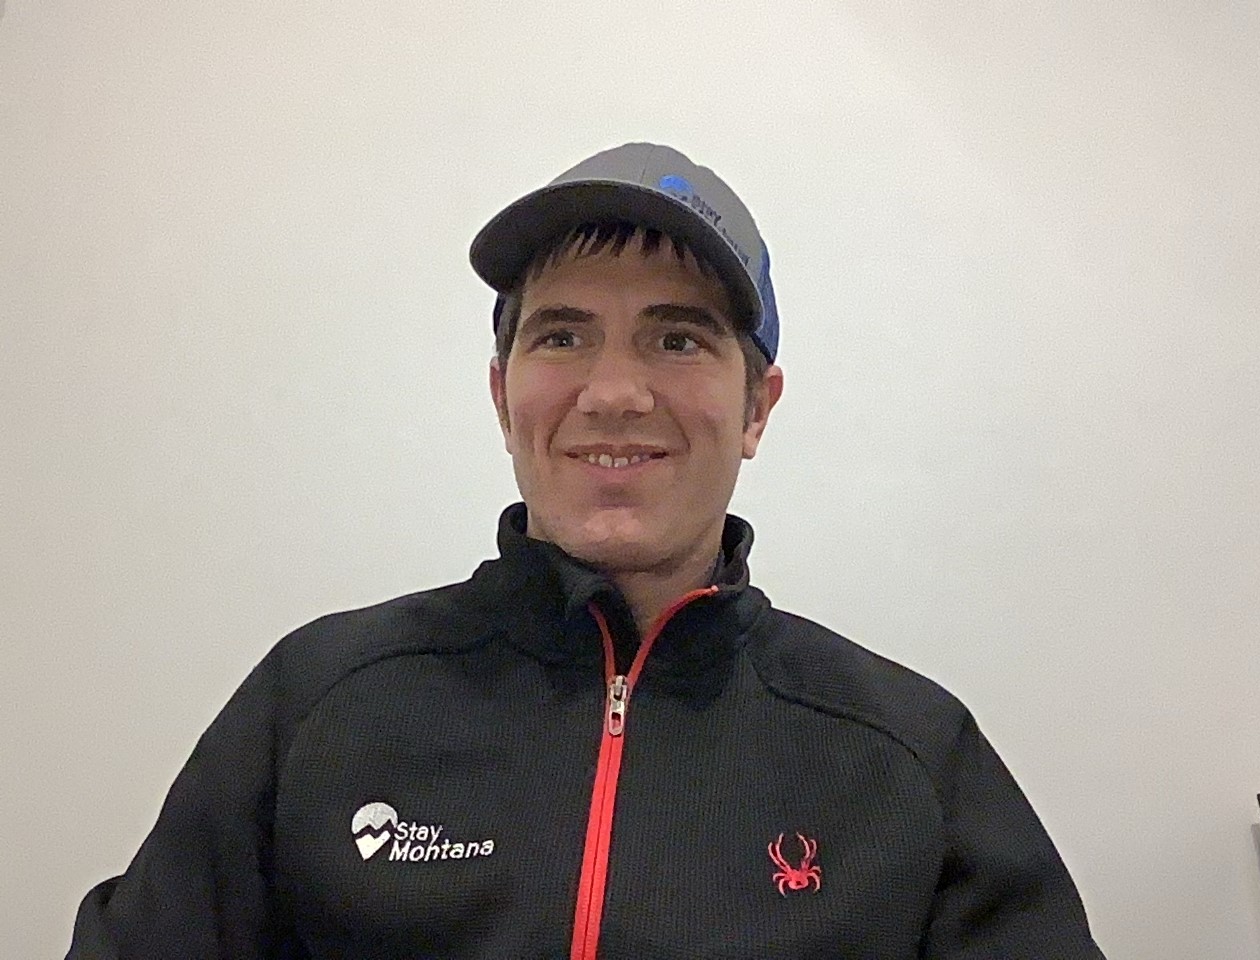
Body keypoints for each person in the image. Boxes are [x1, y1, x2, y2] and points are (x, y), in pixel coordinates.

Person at [67, 142, 1106, 959]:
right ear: (501, 394)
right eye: (561, 335)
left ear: (757, 407)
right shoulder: (317, 705)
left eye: (676, 338)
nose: (612, 392)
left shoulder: (907, 758)